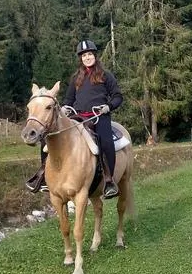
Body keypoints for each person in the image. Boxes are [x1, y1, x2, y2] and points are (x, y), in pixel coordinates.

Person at [26, 39, 123, 199]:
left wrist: (108, 107)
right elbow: (68, 99)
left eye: (90, 54)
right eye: (84, 56)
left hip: (98, 116)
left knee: (106, 141)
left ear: (95, 56)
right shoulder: (76, 77)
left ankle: (108, 180)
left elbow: (118, 96)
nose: (87, 58)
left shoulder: (106, 76)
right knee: (47, 137)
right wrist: (64, 107)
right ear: (81, 58)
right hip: (77, 117)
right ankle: (43, 175)